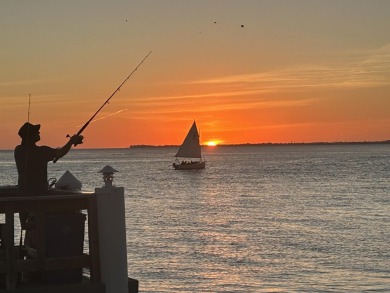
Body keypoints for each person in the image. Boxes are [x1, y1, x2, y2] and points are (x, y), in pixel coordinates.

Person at [14, 122, 83, 197]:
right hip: (39, 194)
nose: (39, 132)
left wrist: (58, 150)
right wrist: (71, 142)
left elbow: (56, 152)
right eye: (36, 132)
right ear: (31, 136)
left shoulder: (18, 150)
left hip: (23, 193)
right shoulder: (40, 151)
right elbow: (60, 153)